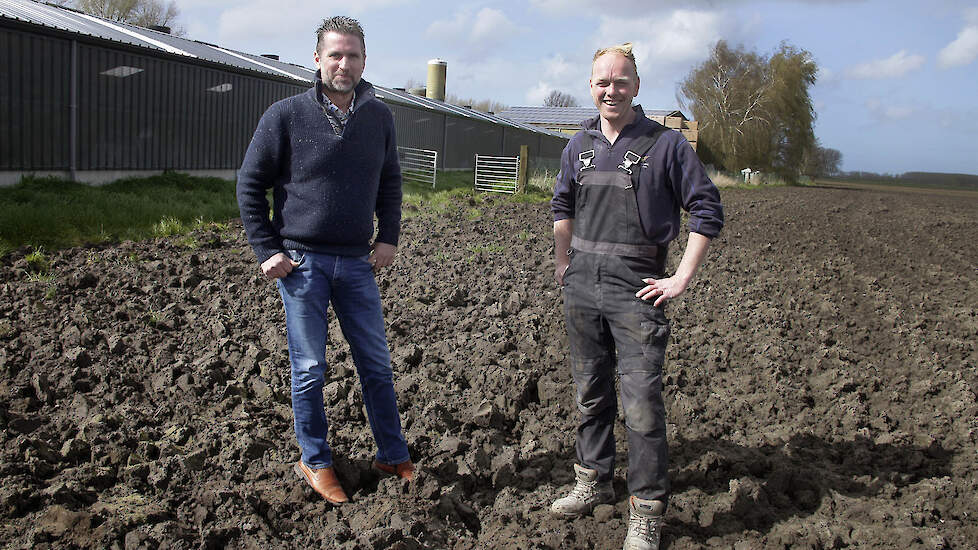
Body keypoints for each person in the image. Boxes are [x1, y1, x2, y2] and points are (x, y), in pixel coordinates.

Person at [549, 43, 724, 550]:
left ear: (637, 87)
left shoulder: (666, 145)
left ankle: (645, 511)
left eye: (621, 81)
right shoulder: (577, 143)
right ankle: (593, 481)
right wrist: (564, 260)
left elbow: (705, 210)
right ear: (590, 86)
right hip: (581, 285)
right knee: (590, 392)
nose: (611, 90)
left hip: (638, 289)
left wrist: (680, 278)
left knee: (642, 406)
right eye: (602, 82)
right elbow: (563, 202)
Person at [236, 15, 414, 505]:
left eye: (353, 55)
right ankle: (315, 460)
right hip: (302, 262)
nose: (344, 63)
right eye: (335, 54)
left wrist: (389, 237)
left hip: (357, 262)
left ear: (364, 60)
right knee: (310, 367)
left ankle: (392, 454)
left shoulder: (379, 117)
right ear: (317, 59)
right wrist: (267, 249)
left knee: (376, 363)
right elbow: (250, 186)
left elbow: (390, 183)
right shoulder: (286, 114)